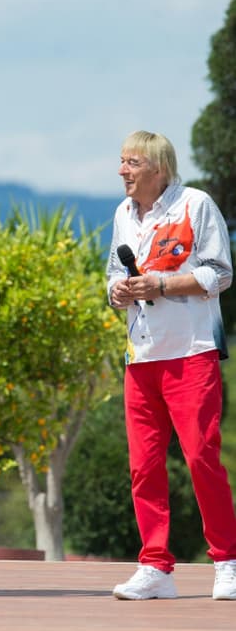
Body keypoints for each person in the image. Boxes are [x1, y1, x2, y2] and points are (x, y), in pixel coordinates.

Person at [107, 130, 236, 601]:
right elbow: (112, 278)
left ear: (158, 167)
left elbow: (220, 274)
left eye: (132, 162)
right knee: (143, 467)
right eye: (121, 162)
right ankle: (156, 567)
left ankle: (227, 561)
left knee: (201, 456)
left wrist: (159, 285)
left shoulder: (196, 205)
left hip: (192, 351)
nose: (122, 170)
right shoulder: (123, 214)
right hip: (141, 356)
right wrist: (119, 292)